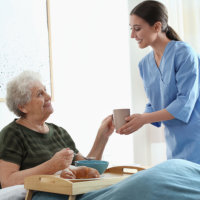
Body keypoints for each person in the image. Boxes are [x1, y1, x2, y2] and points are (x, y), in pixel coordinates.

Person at [117, 0, 200, 164]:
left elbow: (184, 103)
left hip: (196, 137)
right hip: (174, 142)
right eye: (131, 29)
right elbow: (154, 104)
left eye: (137, 29)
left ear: (157, 26)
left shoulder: (184, 53)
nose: (132, 35)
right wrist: (134, 122)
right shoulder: (144, 64)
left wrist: (144, 119)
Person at [0, 70, 114, 188]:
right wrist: (51, 166)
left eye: (46, 91)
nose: (48, 97)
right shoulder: (12, 134)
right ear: (22, 107)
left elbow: (88, 171)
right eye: (40, 94)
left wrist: (103, 136)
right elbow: (7, 181)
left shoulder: (60, 133)